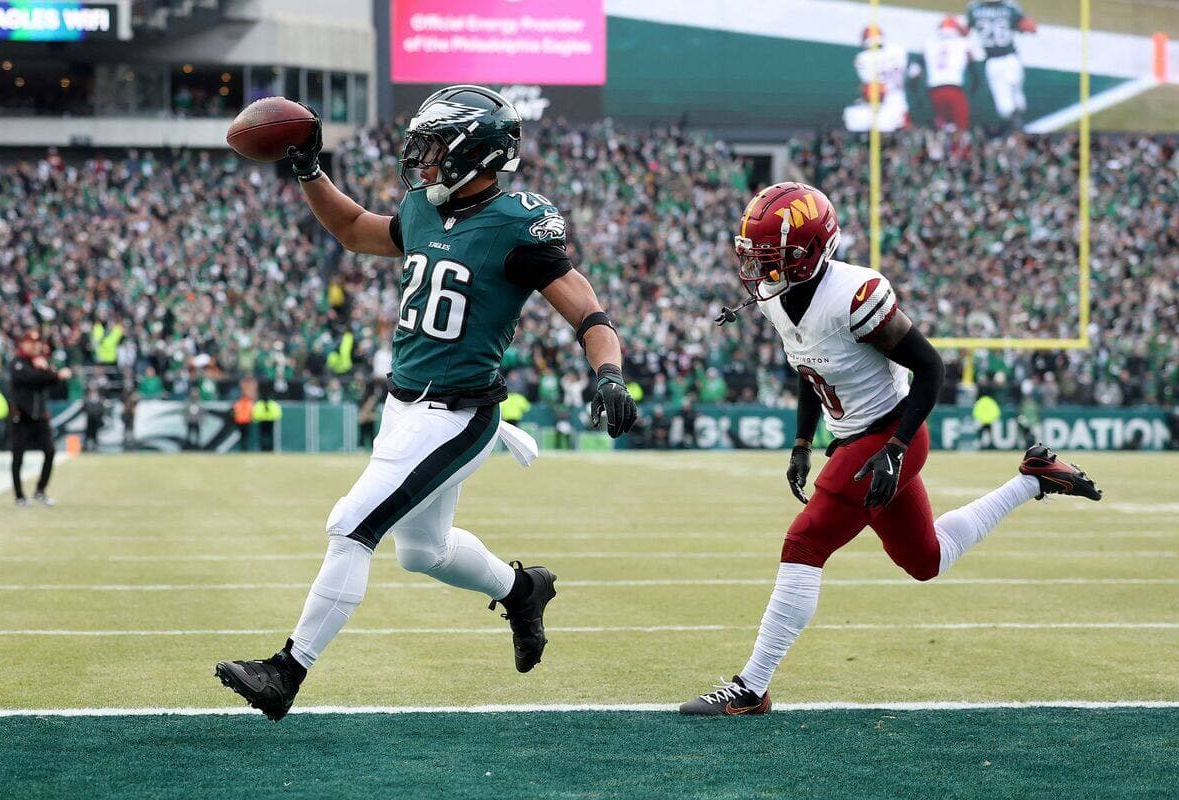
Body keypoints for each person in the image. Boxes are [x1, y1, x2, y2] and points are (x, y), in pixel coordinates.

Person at [215, 85, 638, 721]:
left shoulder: (517, 223)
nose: (424, 160)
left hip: (460, 413)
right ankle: (523, 589)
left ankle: (287, 671)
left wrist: (609, 373)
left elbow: (586, 306)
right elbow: (356, 230)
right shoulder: (423, 208)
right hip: (405, 404)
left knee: (352, 525)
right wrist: (308, 169)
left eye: (436, 148)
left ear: (476, 153)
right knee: (424, 552)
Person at [682, 182, 1101, 715]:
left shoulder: (854, 296)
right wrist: (802, 442)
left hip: (889, 432)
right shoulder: (777, 302)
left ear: (812, 251)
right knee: (926, 559)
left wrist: (898, 447)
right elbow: (808, 371)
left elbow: (931, 367)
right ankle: (1034, 478)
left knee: (805, 543)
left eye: (775, 258)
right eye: (757, 257)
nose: (764, 270)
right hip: (854, 438)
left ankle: (751, 686)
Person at [8, 330, 71, 507]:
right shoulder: (18, 363)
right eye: (31, 342)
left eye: (37, 343)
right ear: (23, 344)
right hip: (22, 417)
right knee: (18, 457)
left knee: (50, 452)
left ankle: (40, 490)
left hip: (40, 417)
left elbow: (52, 382)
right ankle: (19, 495)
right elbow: (30, 378)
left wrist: (49, 371)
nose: (35, 346)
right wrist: (51, 372)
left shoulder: (41, 363)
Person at [967, 0, 1037, 130]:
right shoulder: (1010, 7)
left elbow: (966, 30)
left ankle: (1017, 127)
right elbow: (1029, 27)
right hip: (1012, 59)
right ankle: (1018, 124)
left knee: (1005, 105)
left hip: (993, 62)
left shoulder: (974, 8)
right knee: (1017, 98)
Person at [844, 25, 911, 132]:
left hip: (881, 106)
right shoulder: (898, 51)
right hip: (899, 103)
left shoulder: (863, 58)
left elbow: (870, 86)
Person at [922, 16, 985, 130]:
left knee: (942, 126)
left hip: (933, 90)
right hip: (953, 88)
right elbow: (976, 60)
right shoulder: (963, 42)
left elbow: (918, 66)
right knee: (961, 126)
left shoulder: (929, 43)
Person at [82, 386, 106, 452]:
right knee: (89, 432)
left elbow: (101, 408)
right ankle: (88, 445)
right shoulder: (86, 398)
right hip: (89, 418)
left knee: (95, 432)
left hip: (96, 418)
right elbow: (84, 408)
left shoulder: (100, 399)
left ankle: (95, 445)